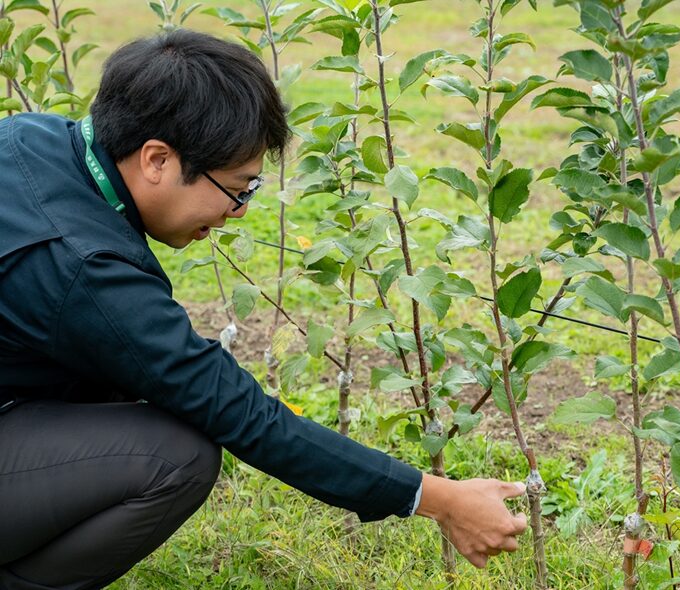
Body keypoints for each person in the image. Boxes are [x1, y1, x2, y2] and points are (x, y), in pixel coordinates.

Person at [0, 29, 527, 589]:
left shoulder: (27, 138)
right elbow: (236, 410)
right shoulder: (85, 267)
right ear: (156, 159)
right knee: (176, 457)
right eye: (238, 188)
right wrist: (437, 498)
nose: (240, 211)